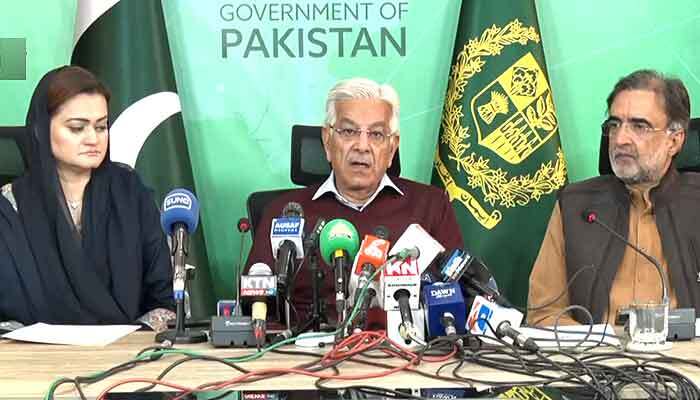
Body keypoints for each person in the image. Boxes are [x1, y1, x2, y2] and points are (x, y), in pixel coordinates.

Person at [246, 77, 464, 326]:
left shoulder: (430, 206)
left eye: (377, 134)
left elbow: (457, 298)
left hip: (406, 355)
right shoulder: (286, 214)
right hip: (305, 358)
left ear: (392, 147)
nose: (362, 146)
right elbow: (255, 307)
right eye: (349, 131)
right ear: (327, 140)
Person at [0, 66, 174, 332]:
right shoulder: (11, 207)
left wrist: (131, 342)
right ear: (40, 130)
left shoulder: (130, 193)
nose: (93, 139)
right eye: (77, 128)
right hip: (36, 360)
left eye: (101, 127)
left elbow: (165, 300)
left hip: (127, 358)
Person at [527, 69, 699, 326]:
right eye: (614, 125)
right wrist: (601, 347)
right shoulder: (576, 206)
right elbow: (543, 314)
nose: (620, 139)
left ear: (674, 141)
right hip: (595, 360)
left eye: (639, 126)